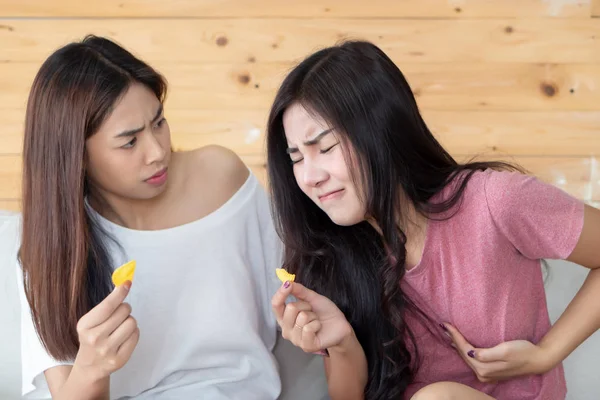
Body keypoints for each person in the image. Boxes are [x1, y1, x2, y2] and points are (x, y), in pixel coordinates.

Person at [266, 40, 600, 400]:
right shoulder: (332, 256)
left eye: (325, 148)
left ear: (381, 132)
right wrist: (343, 342)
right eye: (297, 157)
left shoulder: (495, 202)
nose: (310, 176)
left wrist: (546, 354)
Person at [16, 35, 317, 399]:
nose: (158, 152)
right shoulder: (52, 247)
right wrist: (92, 370)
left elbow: (292, 292)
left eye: (158, 123)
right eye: (129, 142)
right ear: (76, 157)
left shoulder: (221, 178)